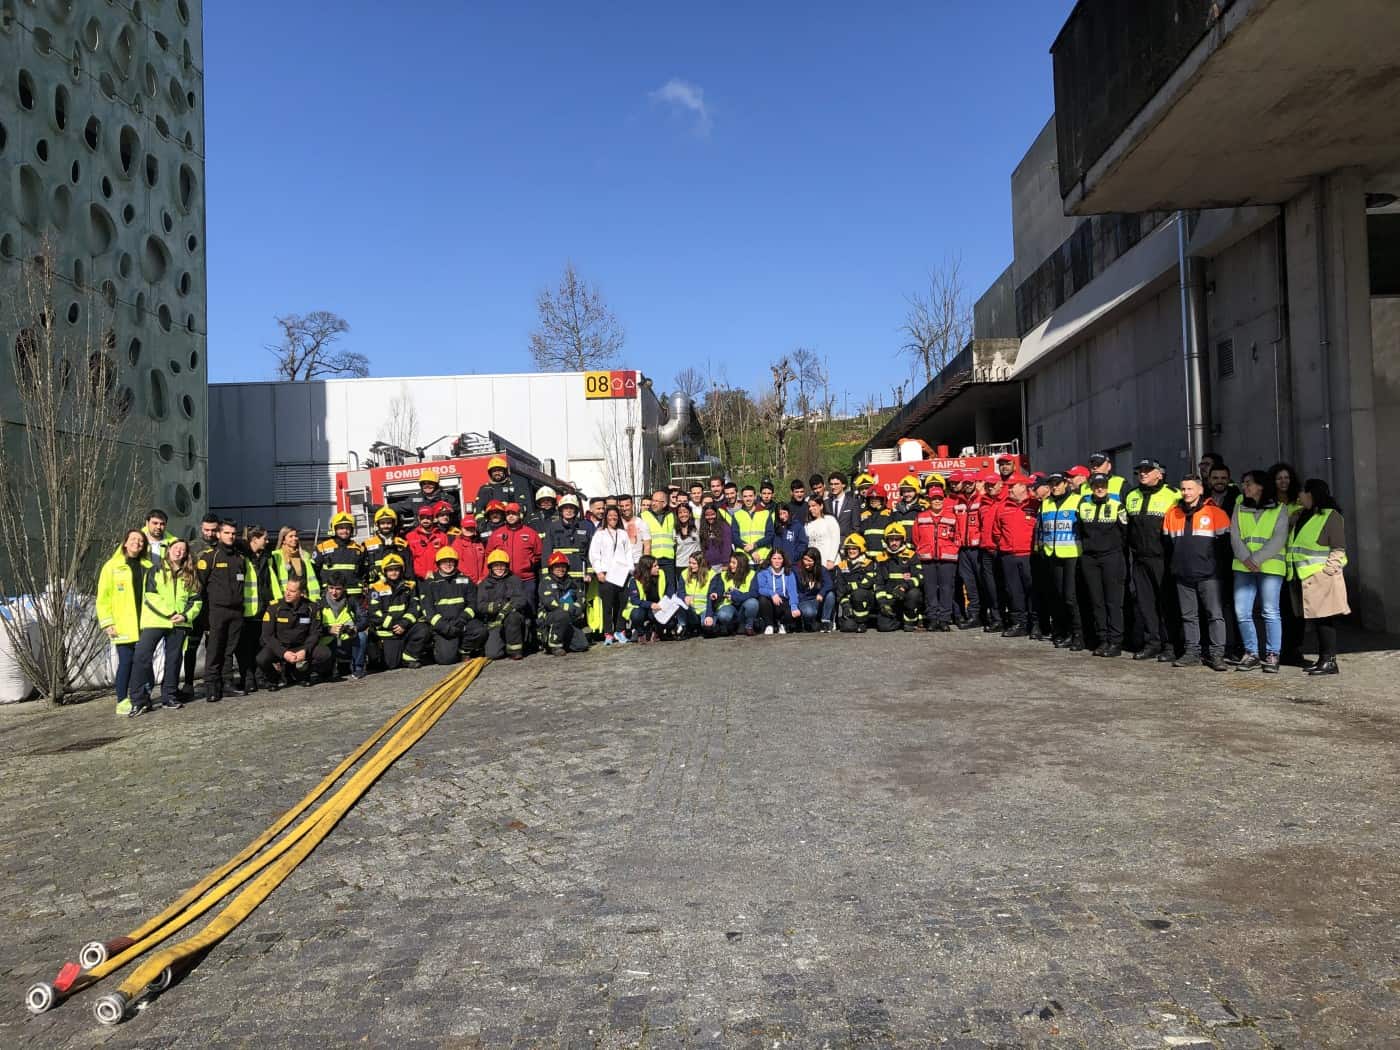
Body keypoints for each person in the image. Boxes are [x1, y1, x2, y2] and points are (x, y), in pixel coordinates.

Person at [1163, 475, 1231, 671]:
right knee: (1188, 616)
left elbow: (1225, 548)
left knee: (1215, 615)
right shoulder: (1172, 514)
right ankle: (1192, 652)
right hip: (1182, 574)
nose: (1186, 493)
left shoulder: (1216, 513)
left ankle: (1217, 655)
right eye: (1183, 489)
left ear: (1201, 490)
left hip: (1210, 575)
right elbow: (1168, 545)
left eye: (1190, 489)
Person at [128, 538, 199, 714]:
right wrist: (170, 613)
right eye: (176, 548)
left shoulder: (190, 574)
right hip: (155, 621)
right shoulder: (155, 570)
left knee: (174, 661)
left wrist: (184, 615)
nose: (179, 552)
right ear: (169, 550)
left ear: (186, 554)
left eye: (182, 550)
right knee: (142, 657)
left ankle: (169, 696)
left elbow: (196, 601)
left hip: (179, 624)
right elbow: (151, 596)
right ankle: (139, 699)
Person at [1287, 478, 1349, 676]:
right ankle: (1323, 659)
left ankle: (1329, 661)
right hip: (1304, 576)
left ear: (1311, 494)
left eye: (1301, 493)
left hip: (1321, 576)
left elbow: (1338, 547)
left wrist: (1329, 570)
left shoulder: (1331, 516)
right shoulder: (1302, 515)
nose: (1298, 496)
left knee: (1325, 620)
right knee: (1318, 620)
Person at [1230, 470, 1289, 673]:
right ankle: (1252, 653)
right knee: (1242, 611)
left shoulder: (1280, 509)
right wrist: (1246, 558)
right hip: (1243, 566)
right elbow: (1234, 535)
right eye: (1244, 483)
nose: (1244, 487)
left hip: (1270, 566)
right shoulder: (1239, 506)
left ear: (1260, 486)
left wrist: (1254, 559)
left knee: (1270, 611)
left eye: (1248, 483)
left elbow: (1279, 539)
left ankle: (1273, 654)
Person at [196, 519, 258, 702]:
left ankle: (228, 683)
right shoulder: (210, 556)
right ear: (218, 534)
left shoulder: (240, 558)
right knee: (215, 649)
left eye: (233, 533)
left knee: (229, 650)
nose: (230, 536)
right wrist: (205, 616)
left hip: (237, 611)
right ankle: (212, 687)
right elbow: (200, 586)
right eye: (226, 533)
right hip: (217, 611)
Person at [1124, 459, 1180, 662]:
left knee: (1166, 604)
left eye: (1147, 471)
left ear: (1159, 474)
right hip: (1139, 558)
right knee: (1145, 603)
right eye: (1140, 471)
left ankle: (1171, 645)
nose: (1143, 474)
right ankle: (1152, 643)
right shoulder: (1132, 495)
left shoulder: (1173, 494)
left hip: (1163, 559)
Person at [97, 529, 152, 715]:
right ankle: (122, 700)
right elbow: (103, 598)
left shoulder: (148, 566)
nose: (137, 543)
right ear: (125, 542)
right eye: (133, 539)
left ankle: (143, 696)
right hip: (123, 624)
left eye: (141, 541)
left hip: (144, 622)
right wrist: (107, 623)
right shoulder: (112, 566)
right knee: (126, 662)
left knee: (144, 662)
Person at [1077, 472, 1129, 657]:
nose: (1100, 488)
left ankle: (1115, 641)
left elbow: (1125, 533)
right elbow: (1080, 530)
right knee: (1097, 601)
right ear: (1091, 486)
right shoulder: (1083, 505)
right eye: (1096, 485)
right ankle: (1102, 639)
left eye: (1103, 485)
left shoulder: (1118, 506)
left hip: (1112, 558)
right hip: (1090, 559)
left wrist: (1113, 550)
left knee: (1113, 602)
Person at [256, 577, 333, 689]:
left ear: (301, 593)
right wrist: (283, 653)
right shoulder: (274, 607)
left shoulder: (312, 608)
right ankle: (274, 678)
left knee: (325, 654)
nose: (287, 593)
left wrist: (305, 650)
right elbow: (267, 635)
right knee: (261, 659)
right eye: (286, 589)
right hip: (281, 647)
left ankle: (302, 674)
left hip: (300, 647)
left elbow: (315, 633)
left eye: (292, 591)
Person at [419, 546, 488, 665]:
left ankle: (465, 650)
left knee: (480, 631)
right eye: (444, 562)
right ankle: (440, 646)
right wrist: (443, 627)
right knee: (446, 660)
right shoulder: (430, 583)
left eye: (451, 561)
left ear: (456, 563)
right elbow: (428, 610)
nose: (448, 564)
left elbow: (473, 604)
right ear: (438, 564)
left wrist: (462, 620)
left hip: (462, 622)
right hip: (443, 626)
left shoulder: (465, 580)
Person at [1039, 473, 1084, 650]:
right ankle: (1062, 632)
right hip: (1053, 555)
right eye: (1051, 484)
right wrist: (1042, 548)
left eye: (1058, 483)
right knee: (1058, 596)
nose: (1055, 487)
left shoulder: (1077, 501)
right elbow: (1041, 529)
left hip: (1072, 554)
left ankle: (1078, 635)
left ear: (1065, 484)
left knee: (1070, 598)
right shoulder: (1046, 503)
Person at [180, 513, 221, 700]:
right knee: (192, 645)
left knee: (214, 645)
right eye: (206, 530)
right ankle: (188, 684)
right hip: (197, 603)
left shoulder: (223, 547)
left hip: (216, 604)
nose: (210, 533)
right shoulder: (192, 547)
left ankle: (213, 681)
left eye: (213, 530)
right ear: (201, 528)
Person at [1269, 461, 1305, 666]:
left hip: (1295, 564)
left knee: (1296, 610)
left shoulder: (1298, 501)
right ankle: (1278, 648)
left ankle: (1295, 648)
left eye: (1287, 478)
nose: (1283, 481)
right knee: (1278, 609)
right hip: (1274, 562)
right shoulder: (1270, 503)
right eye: (1279, 478)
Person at [992, 476, 1037, 638]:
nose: (1009, 489)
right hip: (1009, 556)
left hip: (1029, 555)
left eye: (1012, 487)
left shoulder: (1034, 505)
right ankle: (1019, 623)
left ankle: (1036, 624)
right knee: (1014, 591)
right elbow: (997, 531)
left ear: (1023, 487)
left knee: (1032, 591)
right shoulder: (1003, 506)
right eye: (1008, 487)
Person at [912, 485, 961, 631]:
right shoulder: (921, 517)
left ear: (943, 499)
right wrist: (922, 549)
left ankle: (944, 619)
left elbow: (958, 536)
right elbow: (915, 538)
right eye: (934, 499)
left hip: (947, 559)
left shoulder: (952, 517)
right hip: (927, 559)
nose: (937, 501)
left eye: (939, 498)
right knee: (930, 590)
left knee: (947, 589)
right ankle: (932, 619)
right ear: (929, 500)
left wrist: (952, 549)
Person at [368, 554, 428, 669]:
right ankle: (395, 654)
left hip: (404, 628)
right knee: (392, 664)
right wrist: (394, 625)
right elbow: (374, 613)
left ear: (402, 570)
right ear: (384, 571)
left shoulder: (409, 586)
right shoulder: (376, 588)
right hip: (388, 632)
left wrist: (404, 623)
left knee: (423, 629)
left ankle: (409, 657)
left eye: (396, 569)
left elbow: (414, 608)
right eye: (390, 570)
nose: (393, 573)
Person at [234, 526, 274, 694]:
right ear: (254, 539)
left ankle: (260, 678)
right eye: (264, 538)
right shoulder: (242, 556)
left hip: (261, 609)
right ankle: (247, 679)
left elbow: (267, 583)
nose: (267, 541)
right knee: (244, 649)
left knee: (260, 646)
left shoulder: (265, 557)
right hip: (245, 610)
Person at [588, 506, 633, 645]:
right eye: (610, 515)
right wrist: (598, 571)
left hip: (622, 574)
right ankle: (608, 633)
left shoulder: (623, 533)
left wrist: (630, 570)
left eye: (615, 515)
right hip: (606, 574)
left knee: (622, 604)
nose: (613, 517)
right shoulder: (600, 534)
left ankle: (620, 631)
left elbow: (628, 553)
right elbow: (594, 554)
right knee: (608, 606)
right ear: (606, 517)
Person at [477, 548, 530, 660]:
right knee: (493, 654)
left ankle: (515, 651)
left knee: (513, 617)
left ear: (507, 566)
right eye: (496, 565)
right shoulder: (484, 584)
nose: (499, 568)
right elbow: (481, 606)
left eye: (502, 565)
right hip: (494, 622)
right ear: (490, 567)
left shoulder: (514, 580)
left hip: (512, 618)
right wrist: (498, 606)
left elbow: (521, 600)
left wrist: (507, 609)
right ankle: (501, 644)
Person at [486, 502, 543, 603]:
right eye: (508, 514)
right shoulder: (497, 534)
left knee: (529, 607)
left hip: (526, 580)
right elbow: (489, 554)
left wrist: (529, 564)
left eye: (514, 513)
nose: (510, 516)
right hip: (504, 580)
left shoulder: (531, 533)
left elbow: (539, 554)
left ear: (519, 515)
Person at [537, 551, 591, 654]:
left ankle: (562, 641)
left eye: (563, 566)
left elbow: (581, 598)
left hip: (568, 619)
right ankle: (553, 645)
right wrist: (571, 608)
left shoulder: (571, 581)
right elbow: (551, 603)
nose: (560, 569)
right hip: (550, 619)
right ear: (551, 568)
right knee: (562, 614)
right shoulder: (546, 582)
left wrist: (578, 608)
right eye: (557, 566)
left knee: (582, 645)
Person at [874, 522, 922, 632]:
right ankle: (899, 619)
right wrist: (883, 603)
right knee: (884, 627)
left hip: (906, 595)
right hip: (890, 599)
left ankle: (910, 620)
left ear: (902, 540)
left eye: (897, 539)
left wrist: (904, 587)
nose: (894, 542)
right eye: (891, 539)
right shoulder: (881, 557)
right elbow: (879, 583)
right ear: (887, 541)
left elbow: (919, 577)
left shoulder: (911, 555)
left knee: (914, 594)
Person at [319, 579, 369, 681]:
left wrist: (355, 628)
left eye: (338, 589)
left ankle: (358, 668)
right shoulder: (320, 603)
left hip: (347, 639)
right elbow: (314, 628)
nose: (334, 592)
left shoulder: (352, 601)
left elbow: (364, 619)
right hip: (328, 641)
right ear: (327, 588)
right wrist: (329, 629)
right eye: (331, 588)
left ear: (344, 589)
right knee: (324, 675)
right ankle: (325, 670)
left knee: (362, 636)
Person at [977, 471, 1006, 632]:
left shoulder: (1006, 501)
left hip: (1001, 550)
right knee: (991, 587)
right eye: (987, 484)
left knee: (1005, 586)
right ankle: (997, 619)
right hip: (986, 549)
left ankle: (1008, 617)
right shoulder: (984, 502)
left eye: (993, 484)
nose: (990, 487)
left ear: (1000, 484)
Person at [314, 512, 367, 601]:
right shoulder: (322, 548)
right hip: (330, 595)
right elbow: (314, 572)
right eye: (341, 528)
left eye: (347, 528)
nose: (344, 531)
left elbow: (364, 573)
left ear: (352, 530)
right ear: (334, 529)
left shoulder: (360, 549)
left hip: (354, 596)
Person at [542, 495, 591, 585]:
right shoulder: (553, 527)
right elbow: (547, 551)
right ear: (561, 510)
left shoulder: (584, 527)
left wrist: (589, 573)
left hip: (580, 576)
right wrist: (546, 574)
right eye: (566, 508)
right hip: (559, 576)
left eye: (571, 508)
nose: (568, 511)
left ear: (576, 511)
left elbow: (590, 552)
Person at [834, 534, 878, 633]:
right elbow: (840, 589)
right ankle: (853, 620)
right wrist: (845, 604)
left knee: (859, 593)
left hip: (864, 598)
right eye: (849, 548)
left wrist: (850, 586)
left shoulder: (868, 563)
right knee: (847, 627)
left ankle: (862, 622)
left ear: (860, 549)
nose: (851, 551)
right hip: (848, 600)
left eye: (854, 548)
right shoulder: (841, 566)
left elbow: (867, 583)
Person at [756, 549, 802, 635]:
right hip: (770, 601)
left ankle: (782, 624)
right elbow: (760, 589)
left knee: (794, 613)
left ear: (783, 560)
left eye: (779, 558)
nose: (777, 561)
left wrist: (794, 606)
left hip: (784, 602)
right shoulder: (763, 572)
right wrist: (772, 594)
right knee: (762, 600)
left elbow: (793, 592)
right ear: (770, 559)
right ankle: (769, 625)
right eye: (774, 558)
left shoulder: (789, 573)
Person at [714, 551, 760, 636]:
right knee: (723, 615)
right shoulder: (723, 575)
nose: (731, 565)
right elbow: (719, 591)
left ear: (741, 564)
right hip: (729, 605)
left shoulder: (752, 574)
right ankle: (732, 626)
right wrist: (721, 594)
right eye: (730, 562)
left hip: (744, 605)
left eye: (734, 563)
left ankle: (749, 626)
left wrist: (737, 596)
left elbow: (754, 593)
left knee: (753, 603)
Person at [363, 506, 414, 583]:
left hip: (399, 586)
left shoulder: (402, 544)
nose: (386, 526)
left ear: (394, 524)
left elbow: (409, 568)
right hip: (377, 587)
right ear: (377, 524)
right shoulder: (367, 544)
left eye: (389, 523)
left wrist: (410, 585)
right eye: (382, 523)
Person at [625, 554, 669, 642]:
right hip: (643, 608)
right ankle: (641, 633)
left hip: (658, 608)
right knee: (637, 616)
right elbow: (634, 600)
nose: (658, 567)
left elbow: (668, 591)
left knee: (671, 622)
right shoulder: (635, 580)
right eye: (655, 566)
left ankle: (656, 631)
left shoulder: (662, 575)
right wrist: (650, 604)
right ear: (647, 568)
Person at [270, 526, 320, 602]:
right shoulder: (275, 556)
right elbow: (273, 583)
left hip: (303, 599)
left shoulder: (304, 555)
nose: (295, 538)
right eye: (291, 536)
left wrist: (314, 599)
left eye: (296, 536)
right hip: (285, 599)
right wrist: (279, 601)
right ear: (283, 540)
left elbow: (311, 579)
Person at [640, 489, 676, 586]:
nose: (653, 503)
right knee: (653, 588)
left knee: (670, 588)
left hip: (669, 559)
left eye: (656, 501)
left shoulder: (672, 515)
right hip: (652, 559)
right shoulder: (643, 516)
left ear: (664, 504)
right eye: (653, 500)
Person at [794, 547, 835, 632]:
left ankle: (825, 622)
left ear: (816, 561)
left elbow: (829, 583)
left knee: (830, 595)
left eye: (810, 561)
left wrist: (821, 593)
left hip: (817, 599)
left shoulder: (821, 569)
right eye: (805, 559)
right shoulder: (796, 570)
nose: (806, 563)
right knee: (810, 613)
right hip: (803, 600)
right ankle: (809, 622)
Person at [732, 485, 774, 567]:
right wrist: (751, 551)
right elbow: (735, 538)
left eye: (750, 496)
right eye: (745, 496)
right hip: (743, 560)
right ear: (741, 498)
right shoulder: (737, 515)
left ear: (755, 497)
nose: (748, 499)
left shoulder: (765, 513)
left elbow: (770, 535)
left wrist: (755, 545)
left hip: (762, 558)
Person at [406, 505, 446, 578]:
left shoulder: (442, 536)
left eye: (428, 518)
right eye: (422, 518)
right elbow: (409, 560)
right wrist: (423, 574)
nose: (425, 520)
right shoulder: (410, 537)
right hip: (419, 578)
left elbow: (446, 558)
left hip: (439, 576)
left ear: (433, 518)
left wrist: (438, 573)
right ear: (418, 518)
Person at [804, 495, 840, 570]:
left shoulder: (830, 520)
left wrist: (831, 560)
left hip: (830, 563)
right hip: (815, 565)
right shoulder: (807, 524)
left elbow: (836, 540)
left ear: (821, 506)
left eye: (814, 506)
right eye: (809, 506)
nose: (811, 509)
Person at [770, 504, 809, 569]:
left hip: (793, 565)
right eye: (780, 514)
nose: (782, 516)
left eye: (784, 513)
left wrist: (794, 557)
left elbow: (803, 544)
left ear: (789, 512)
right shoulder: (776, 528)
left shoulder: (797, 526)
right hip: (778, 565)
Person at [452, 514, 487, 583]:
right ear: (461, 528)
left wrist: (483, 578)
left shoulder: (479, 542)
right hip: (467, 581)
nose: (469, 530)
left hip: (481, 582)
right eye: (466, 528)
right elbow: (459, 564)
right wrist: (472, 579)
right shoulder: (457, 543)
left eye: (471, 528)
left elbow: (485, 561)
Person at [673, 503, 700, 590]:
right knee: (682, 590)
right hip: (680, 564)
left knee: (695, 589)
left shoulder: (697, 524)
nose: (683, 514)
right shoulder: (675, 528)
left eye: (685, 512)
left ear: (690, 513)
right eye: (680, 512)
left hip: (695, 564)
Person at [699, 503, 733, 573]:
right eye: (707, 515)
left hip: (721, 565)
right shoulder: (703, 527)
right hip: (707, 565)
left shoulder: (724, 527)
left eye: (712, 514)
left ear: (717, 514)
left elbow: (727, 547)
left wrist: (725, 563)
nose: (710, 517)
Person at [859, 486, 892, 555]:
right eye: (871, 499)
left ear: (883, 500)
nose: (873, 501)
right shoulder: (864, 515)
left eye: (877, 498)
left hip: (885, 556)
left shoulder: (890, 514)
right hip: (867, 556)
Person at [825, 472, 859, 537]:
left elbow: (856, 527)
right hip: (830, 542)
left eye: (836, 484)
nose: (833, 487)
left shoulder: (852, 502)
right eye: (831, 484)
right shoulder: (826, 503)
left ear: (843, 485)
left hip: (846, 542)